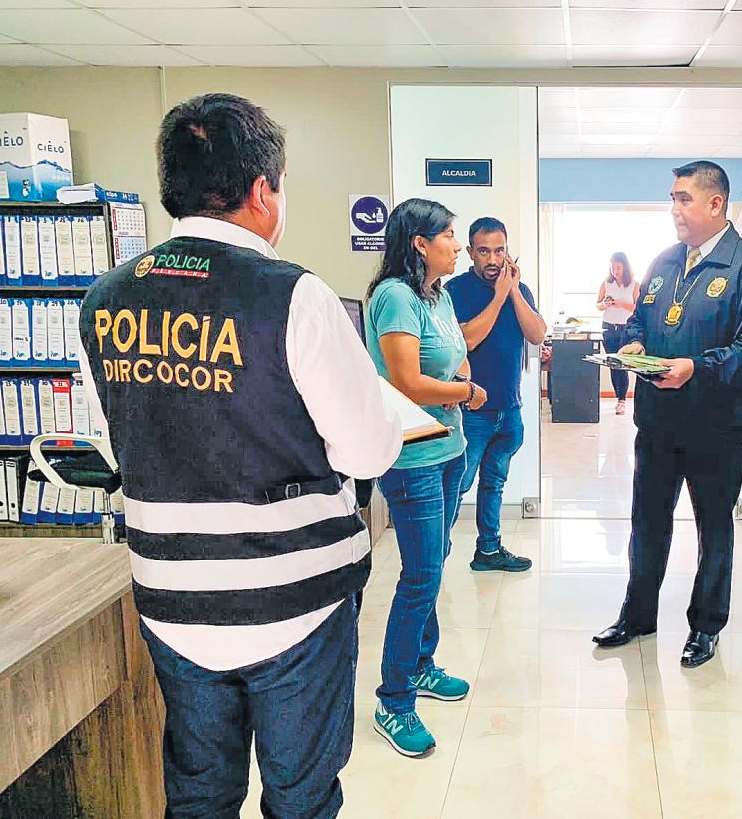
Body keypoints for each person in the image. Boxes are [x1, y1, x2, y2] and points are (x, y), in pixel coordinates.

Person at [77, 93, 404, 817]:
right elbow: (367, 451)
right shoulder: (294, 296)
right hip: (295, 603)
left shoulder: (104, 300)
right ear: (263, 190)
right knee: (300, 795)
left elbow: (119, 437)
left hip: (173, 599)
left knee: (199, 792)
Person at [592, 160, 742, 668]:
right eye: (672, 199)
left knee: (713, 529)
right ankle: (637, 616)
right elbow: (640, 319)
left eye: (684, 199)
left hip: (716, 428)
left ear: (716, 203)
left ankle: (706, 626)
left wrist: (695, 368)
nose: (674, 209)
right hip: (658, 423)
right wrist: (635, 343)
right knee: (647, 523)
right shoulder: (665, 261)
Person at [365, 198, 488, 758]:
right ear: (420, 242)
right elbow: (407, 383)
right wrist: (466, 391)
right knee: (420, 576)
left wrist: (460, 381)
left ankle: (420, 664)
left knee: (434, 565)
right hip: (413, 458)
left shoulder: (437, 295)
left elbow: (455, 353)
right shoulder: (394, 296)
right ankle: (394, 701)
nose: (458, 245)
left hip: (450, 448)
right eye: (450, 236)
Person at [445, 217, 546, 572]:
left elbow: (537, 334)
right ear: (470, 252)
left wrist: (513, 291)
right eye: (484, 251)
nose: (492, 259)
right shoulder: (455, 290)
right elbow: (468, 339)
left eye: (499, 250)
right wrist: (500, 295)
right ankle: (433, 556)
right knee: (457, 484)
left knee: (494, 484)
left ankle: (488, 550)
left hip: (509, 408)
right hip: (472, 411)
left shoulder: (520, 289)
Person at [597, 251, 639, 415]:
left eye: (618, 267)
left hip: (625, 329)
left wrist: (621, 304)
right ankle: (618, 399)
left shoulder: (634, 285)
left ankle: (622, 400)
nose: (615, 271)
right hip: (608, 328)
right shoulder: (606, 283)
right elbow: (598, 305)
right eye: (613, 267)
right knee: (613, 365)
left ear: (625, 267)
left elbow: (638, 308)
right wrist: (605, 304)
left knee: (623, 365)